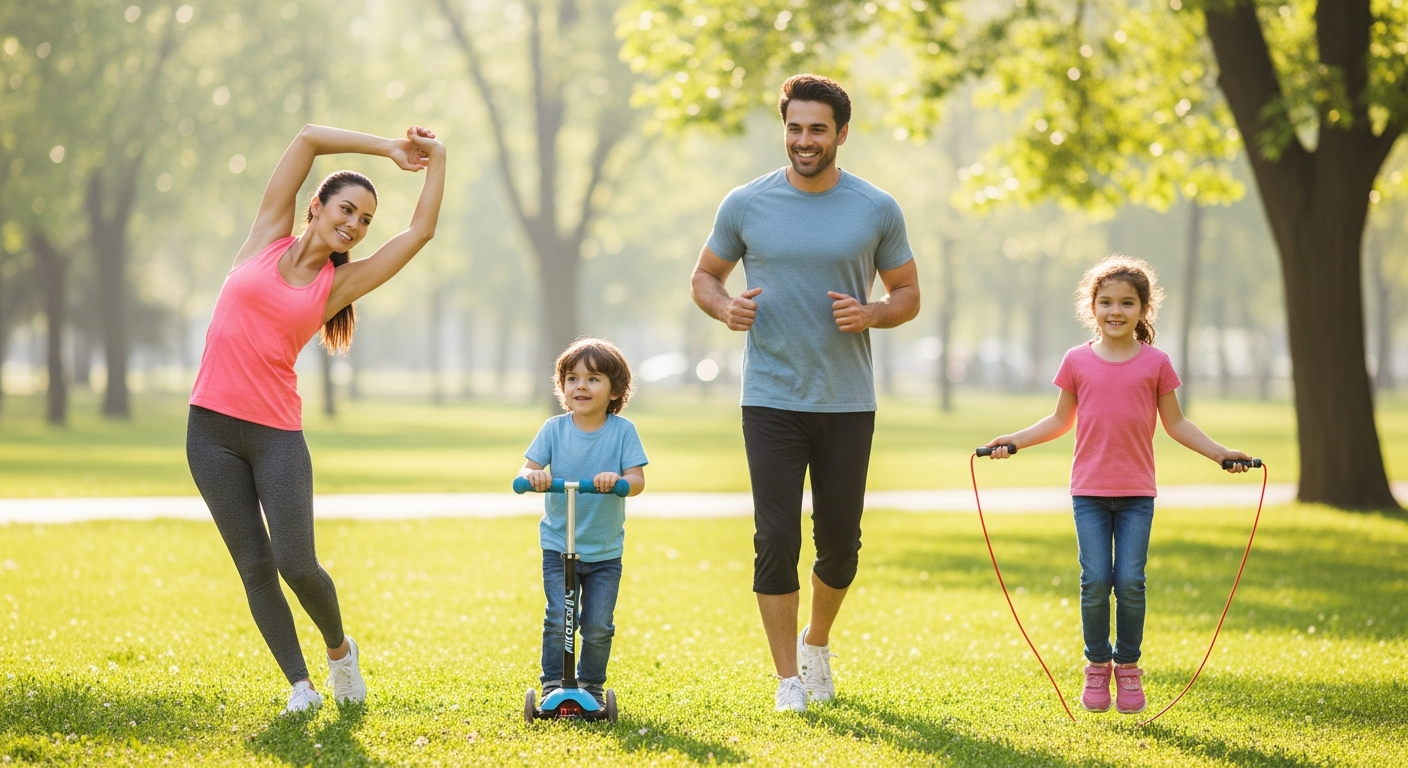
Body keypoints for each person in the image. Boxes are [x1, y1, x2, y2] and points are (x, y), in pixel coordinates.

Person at [186, 124, 446, 714]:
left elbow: (422, 230)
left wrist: (437, 160)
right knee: (254, 565)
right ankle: (299, 688)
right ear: (316, 207)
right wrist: (388, 149)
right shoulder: (264, 237)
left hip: (275, 436)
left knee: (295, 563)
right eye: (346, 209)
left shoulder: (338, 285)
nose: (352, 225)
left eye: (363, 221)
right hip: (209, 432)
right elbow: (306, 139)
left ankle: (339, 651)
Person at [690, 74, 920, 712]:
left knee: (841, 544)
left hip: (848, 400)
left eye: (818, 129)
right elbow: (706, 277)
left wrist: (872, 314)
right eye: (795, 127)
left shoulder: (876, 208)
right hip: (769, 398)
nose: (804, 140)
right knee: (775, 537)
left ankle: (818, 641)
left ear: (842, 135)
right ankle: (789, 678)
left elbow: (908, 295)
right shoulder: (745, 204)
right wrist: (725, 309)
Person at [982, 254, 1252, 715]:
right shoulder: (1077, 361)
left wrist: (1221, 453)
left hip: (1135, 495)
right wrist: (1015, 441)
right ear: (1092, 307)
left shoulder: (1156, 363)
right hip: (1088, 493)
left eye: (1127, 303)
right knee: (1094, 582)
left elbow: (1177, 424)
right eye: (1106, 302)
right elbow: (1058, 420)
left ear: (1143, 310)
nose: (1116, 311)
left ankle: (1127, 667)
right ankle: (1096, 665)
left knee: (1129, 581)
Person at [519, 338, 648, 705]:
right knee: (559, 617)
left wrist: (618, 481)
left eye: (593, 379)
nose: (581, 386)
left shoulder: (623, 432)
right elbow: (526, 469)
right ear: (562, 387)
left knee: (597, 625)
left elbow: (637, 481)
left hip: (605, 551)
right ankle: (552, 685)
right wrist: (534, 477)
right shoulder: (554, 429)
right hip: (559, 546)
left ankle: (590, 686)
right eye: (573, 378)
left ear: (615, 390)